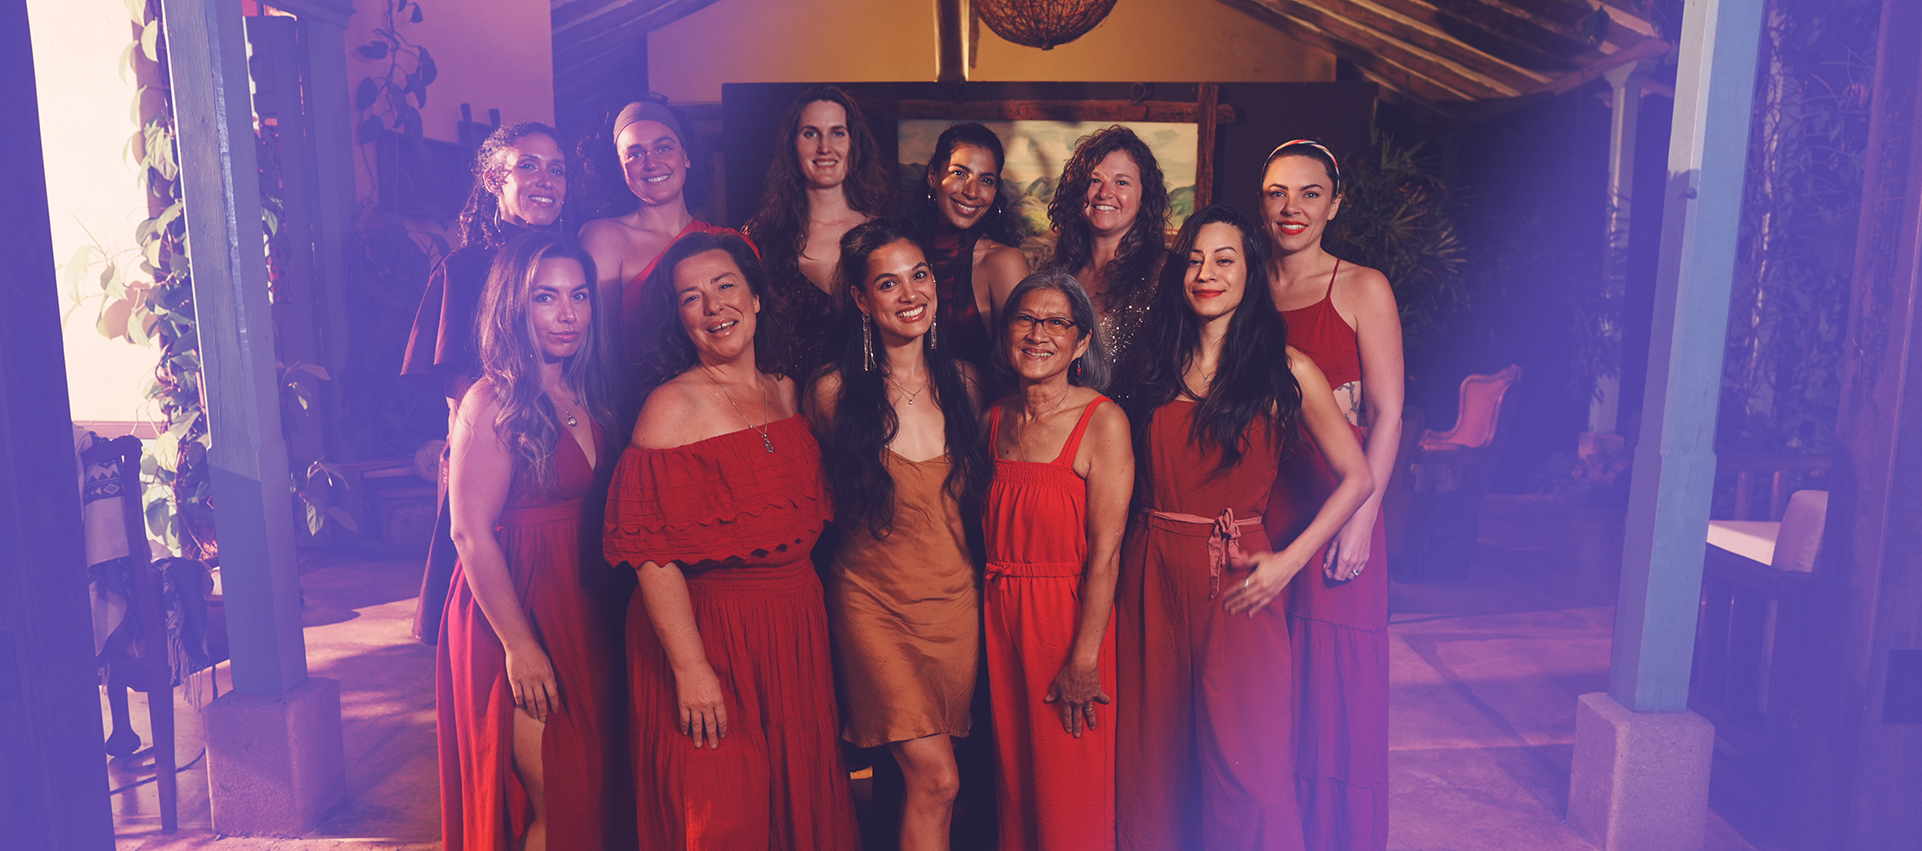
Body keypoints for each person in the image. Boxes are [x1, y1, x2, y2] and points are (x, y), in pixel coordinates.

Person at [1115, 205, 1372, 851]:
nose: (1206, 273)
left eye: (1224, 259)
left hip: (1238, 580)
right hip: (1151, 573)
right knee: (1154, 759)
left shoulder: (1288, 369)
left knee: (1248, 769)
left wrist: (1288, 561)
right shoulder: (1155, 363)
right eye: (1194, 260)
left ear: (1251, 272)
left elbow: (1358, 477)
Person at [602, 230, 859, 850]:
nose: (714, 306)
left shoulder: (786, 391)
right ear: (680, 319)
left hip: (793, 630)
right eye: (691, 298)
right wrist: (691, 670)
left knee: (795, 799)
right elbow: (651, 555)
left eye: (725, 286)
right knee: (722, 809)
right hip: (710, 632)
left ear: (757, 297)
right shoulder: (669, 408)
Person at [437, 231, 628, 851]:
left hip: (587, 604)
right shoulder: (491, 399)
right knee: (556, 798)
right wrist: (520, 647)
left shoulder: (589, 391)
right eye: (546, 297)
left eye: (579, 295)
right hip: (517, 607)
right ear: (512, 306)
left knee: (596, 790)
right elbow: (468, 532)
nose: (567, 313)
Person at [808, 219, 990, 851]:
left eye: (920, 275)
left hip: (954, 605)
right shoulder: (832, 392)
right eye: (888, 283)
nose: (910, 293)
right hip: (872, 605)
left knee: (933, 785)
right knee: (937, 780)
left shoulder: (967, 383)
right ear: (862, 299)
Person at [1260, 140, 1402, 851]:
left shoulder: (1363, 287)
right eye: (1277, 192)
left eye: (1309, 193)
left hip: (1338, 504)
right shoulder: (1242, 282)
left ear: (1334, 204)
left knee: (1336, 693)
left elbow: (1388, 412)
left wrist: (1363, 521)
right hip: (1263, 505)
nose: (1292, 208)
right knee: (1269, 688)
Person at [981, 272, 1132, 851]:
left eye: (1056, 323)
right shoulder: (994, 419)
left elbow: (1106, 556)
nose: (1037, 334)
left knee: (1069, 790)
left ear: (1082, 342)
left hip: (1067, 622)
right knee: (1017, 787)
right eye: (1025, 319)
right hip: (1002, 619)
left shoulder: (1103, 421)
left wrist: (1084, 659)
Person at [405, 121, 570, 644]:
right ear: (495, 181)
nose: (545, 180)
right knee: (500, 635)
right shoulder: (465, 268)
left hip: (571, 452)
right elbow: (460, 401)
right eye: (528, 166)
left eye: (556, 169)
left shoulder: (569, 262)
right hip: (501, 460)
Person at [743, 84, 890, 382]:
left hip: (867, 398)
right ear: (792, 145)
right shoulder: (760, 235)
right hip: (785, 399)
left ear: (853, 144)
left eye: (837, 133)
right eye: (811, 133)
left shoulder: (883, 235)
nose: (825, 147)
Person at [579, 99, 730, 367]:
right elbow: (599, 352)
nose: (652, 163)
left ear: (686, 156)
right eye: (635, 154)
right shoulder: (604, 238)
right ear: (620, 168)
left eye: (663, 148)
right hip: (637, 391)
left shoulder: (723, 241)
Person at [1044, 126, 1169, 380]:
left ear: (1144, 197)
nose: (1104, 193)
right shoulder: (1057, 273)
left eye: (1121, 182)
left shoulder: (1167, 274)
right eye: (1095, 180)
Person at [908, 123, 1032, 372]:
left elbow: (1019, 369)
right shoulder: (900, 251)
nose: (972, 192)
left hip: (982, 398)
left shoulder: (1004, 262)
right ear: (933, 175)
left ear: (995, 191)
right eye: (960, 173)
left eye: (986, 180)